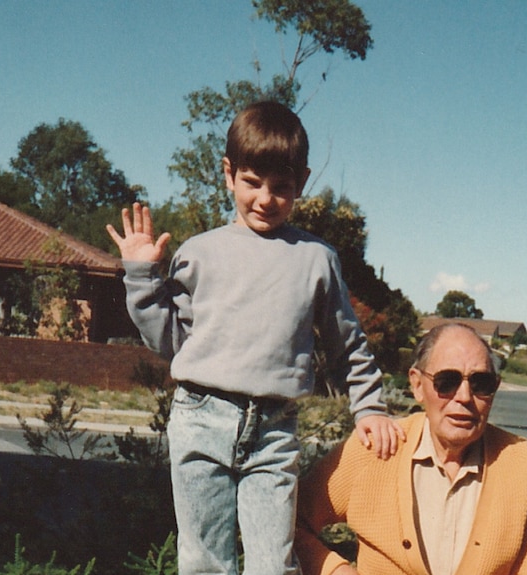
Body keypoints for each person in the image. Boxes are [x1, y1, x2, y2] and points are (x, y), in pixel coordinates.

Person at [106, 101, 404, 575]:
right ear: (229, 174)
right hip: (201, 419)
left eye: (281, 187)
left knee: (273, 564)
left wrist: (368, 407)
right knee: (205, 562)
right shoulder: (199, 253)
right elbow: (172, 342)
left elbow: (347, 343)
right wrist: (142, 277)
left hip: (273, 431)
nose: (265, 199)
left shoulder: (316, 259)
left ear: (301, 183)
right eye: (252, 183)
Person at [295, 323, 527, 575]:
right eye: (447, 381)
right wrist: (336, 570)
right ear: (418, 385)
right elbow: (289, 521)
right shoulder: (375, 450)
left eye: (481, 383)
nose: (464, 397)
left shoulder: (522, 464)